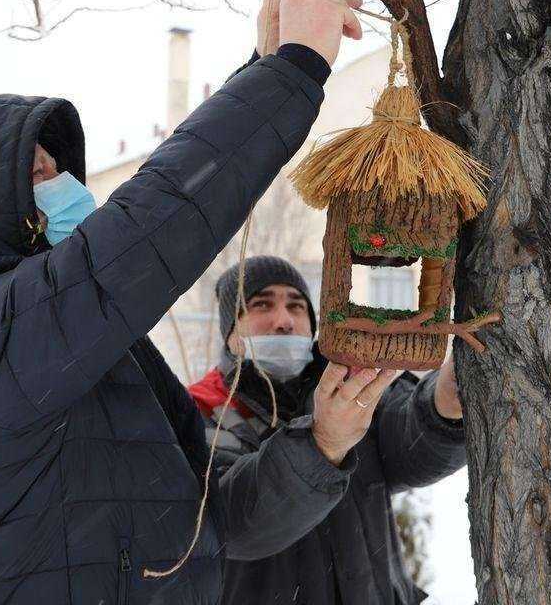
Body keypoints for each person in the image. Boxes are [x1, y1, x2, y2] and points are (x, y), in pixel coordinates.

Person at [0, 0, 361, 605]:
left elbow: (216, 522)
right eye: (37, 175)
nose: (66, 187)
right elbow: (150, 228)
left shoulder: (87, 347)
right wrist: (289, 71)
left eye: (57, 167)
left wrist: (321, 443)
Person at [187, 255, 469, 605]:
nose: (284, 321)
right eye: (261, 305)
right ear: (230, 329)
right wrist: (323, 443)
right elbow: (231, 524)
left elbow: (407, 446)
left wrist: (443, 404)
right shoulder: (199, 409)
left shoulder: (347, 383)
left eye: (296, 306)